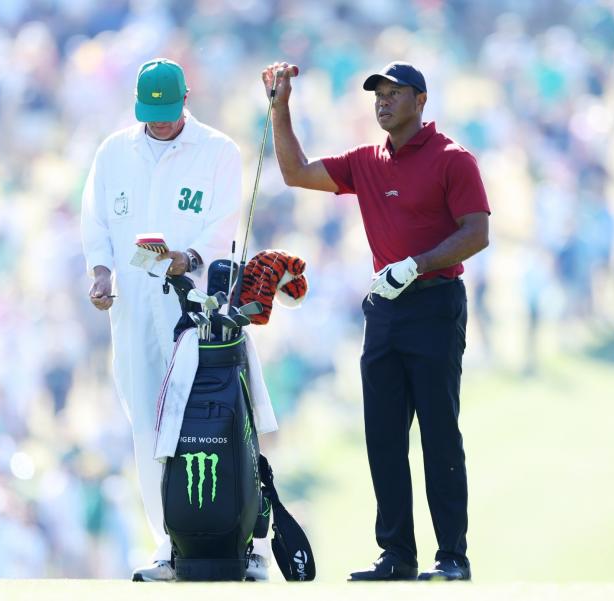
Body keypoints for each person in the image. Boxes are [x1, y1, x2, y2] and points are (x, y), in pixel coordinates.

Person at [262, 60, 490, 581]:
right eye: (378, 95)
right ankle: (396, 556)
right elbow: (295, 172)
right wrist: (281, 108)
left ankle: (452, 557)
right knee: (383, 434)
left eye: (395, 93)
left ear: (421, 101)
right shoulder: (365, 161)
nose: (383, 101)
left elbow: (476, 232)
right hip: (386, 309)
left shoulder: (452, 159)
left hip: (435, 302)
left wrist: (417, 263)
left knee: (438, 432)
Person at [81, 58, 271, 581]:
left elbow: (223, 224)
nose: (159, 122)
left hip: (196, 310)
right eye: (150, 114)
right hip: (135, 313)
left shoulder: (217, 152)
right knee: (146, 425)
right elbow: (94, 221)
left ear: (185, 100)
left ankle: (236, 541)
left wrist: (187, 257)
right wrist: (101, 274)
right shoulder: (114, 152)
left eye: (167, 112)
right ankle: (169, 545)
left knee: (213, 419)